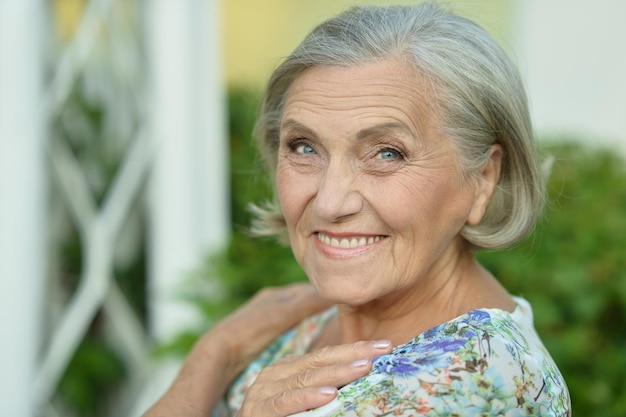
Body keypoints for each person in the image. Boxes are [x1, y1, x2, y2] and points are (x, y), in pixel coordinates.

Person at [144, 3, 571, 416]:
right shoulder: (309, 319)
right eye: (304, 147)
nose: (330, 202)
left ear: (483, 179)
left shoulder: (469, 387)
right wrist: (218, 351)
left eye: (387, 154)